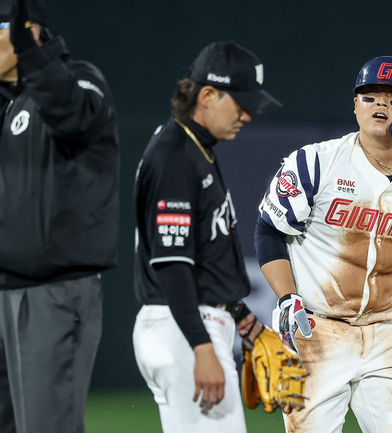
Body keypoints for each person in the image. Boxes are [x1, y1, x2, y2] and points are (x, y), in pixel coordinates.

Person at [255, 56, 392, 433]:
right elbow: (269, 230)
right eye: (370, 96)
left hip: (391, 333)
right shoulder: (315, 163)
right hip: (318, 329)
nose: (380, 105)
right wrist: (287, 298)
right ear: (355, 104)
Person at [132, 41, 281, 433]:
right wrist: (201, 347)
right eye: (241, 103)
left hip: (188, 325)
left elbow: (206, 263)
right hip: (184, 328)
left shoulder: (195, 149)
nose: (247, 115)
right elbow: (171, 264)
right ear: (208, 95)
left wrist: (246, 324)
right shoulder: (175, 155)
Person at [0, 0, 119, 432]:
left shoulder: (81, 80)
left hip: (53, 292)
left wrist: (32, 56)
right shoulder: (7, 103)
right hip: (8, 288)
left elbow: (72, 115)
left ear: (28, 33)